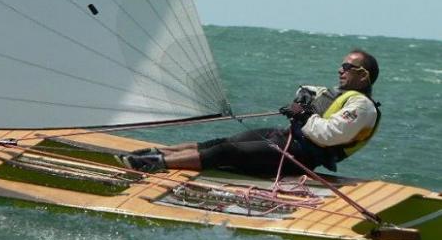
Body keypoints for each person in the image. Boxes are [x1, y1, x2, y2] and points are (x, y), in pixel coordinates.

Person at [120, 49, 380, 176]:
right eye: (342, 65)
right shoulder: (340, 94)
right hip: (285, 138)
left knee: (226, 153)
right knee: (221, 142)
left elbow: (328, 135)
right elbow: (310, 91)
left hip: (299, 157)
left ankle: (156, 164)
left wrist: (303, 115)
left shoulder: (362, 107)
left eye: (347, 66)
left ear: (363, 75)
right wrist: (302, 99)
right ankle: (159, 152)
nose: (340, 70)